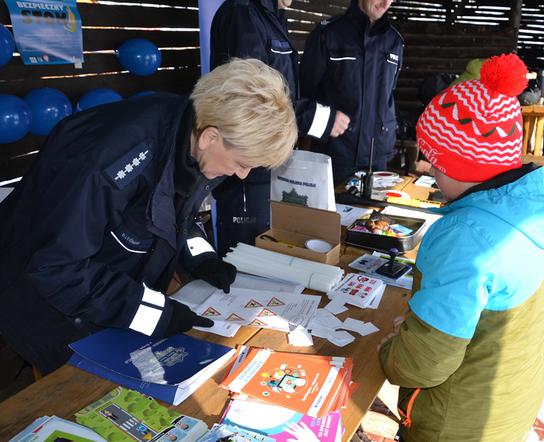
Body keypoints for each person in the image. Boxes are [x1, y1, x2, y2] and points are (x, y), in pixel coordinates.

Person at [0, 59, 297, 374]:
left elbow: (175, 217)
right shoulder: (108, 161)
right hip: (45, 302)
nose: (242, 174)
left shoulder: (193, 132)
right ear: (211, 137)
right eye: (242, 162)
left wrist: (201, 260)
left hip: (106, 292)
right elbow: (56, 268)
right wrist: (153, 312)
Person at [378, 54, 544, 441]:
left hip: (455, 421)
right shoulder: (530, 209)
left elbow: (423, 363)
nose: (430, 173)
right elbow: (484, 315)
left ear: (459, 166)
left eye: (434, 164)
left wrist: (392, 351)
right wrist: (426, 327)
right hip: (508, 401)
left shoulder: (465, 238)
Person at [208, 0, 350, 254]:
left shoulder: (270, 16)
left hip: (267, 163)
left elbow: (280, 92)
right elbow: (250, 96)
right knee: (246, 256)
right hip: (245, 169)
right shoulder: (242, 14)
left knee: (269, 251)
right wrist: (322, 119)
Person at [299, 0, 404, 184]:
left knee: (373, 213)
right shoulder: (328, 34)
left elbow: (388, 93)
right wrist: (326, 121)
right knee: (333, 213)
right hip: (334, 155)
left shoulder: (394, 40)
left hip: (377, 159)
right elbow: (303, 97)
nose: (386, 2)